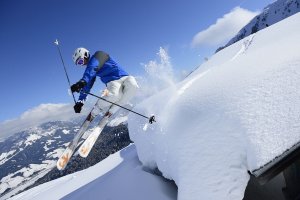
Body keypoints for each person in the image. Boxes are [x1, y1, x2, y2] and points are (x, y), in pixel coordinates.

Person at [70, 47, 139, 117]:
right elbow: (87, 86)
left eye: (81, 61)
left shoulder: (99, 54)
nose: (82, 64)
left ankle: (113, 108)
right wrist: (80, 101)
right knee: (115, 96)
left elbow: (92, 67)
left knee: (133, 86)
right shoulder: (92, 71)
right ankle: (98, 107)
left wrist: (82, 82)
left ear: (85, 54)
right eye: (79, 64)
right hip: (113, 82)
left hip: (125, 77)